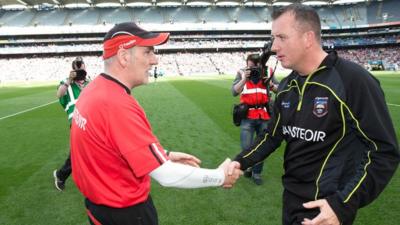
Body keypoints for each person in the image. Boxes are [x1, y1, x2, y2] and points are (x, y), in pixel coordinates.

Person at [229, 4, 399, 225]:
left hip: (326, 210)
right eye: (273, 38)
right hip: (291, 201)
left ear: (308, 38)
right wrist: (238, 162)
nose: (274, 46)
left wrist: (342, 204)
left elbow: (384, 151)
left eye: (281, 37)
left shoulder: (353, 81)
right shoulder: (288, 86)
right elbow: (272, 137)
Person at [70, 22, 242, 225]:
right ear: (125, 56)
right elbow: (166, 175)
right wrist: (219, 176)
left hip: (100, 209)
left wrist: (164, 155)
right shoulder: (116, 104)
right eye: (148, 52)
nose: (155, 60)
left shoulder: (94, 89)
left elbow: (109, 147)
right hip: (125, 214)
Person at [231, 53, 278, 185]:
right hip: (247, 116)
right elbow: (234, 91)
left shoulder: (267, 71)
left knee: (261, 148)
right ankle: (249, 167)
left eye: (256, 67)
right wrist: (244, 79)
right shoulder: (241, 72)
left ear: (261, 65)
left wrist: (270, 84)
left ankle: (257, 174)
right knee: (246, 147)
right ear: (247, 64)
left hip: (264, 115)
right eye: (251, 67)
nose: (254, 70)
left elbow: (280, 89)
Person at [53, 56, 89, 191]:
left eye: (82, 67)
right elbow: (59, 94)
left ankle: (61, 174)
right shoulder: (66, 83)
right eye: (77, 68)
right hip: (76, 122)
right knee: (79, 152)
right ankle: (61, 175)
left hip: (91, 122)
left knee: (84, 151)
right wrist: (69, 79)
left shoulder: (89, 82)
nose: (80, 71)